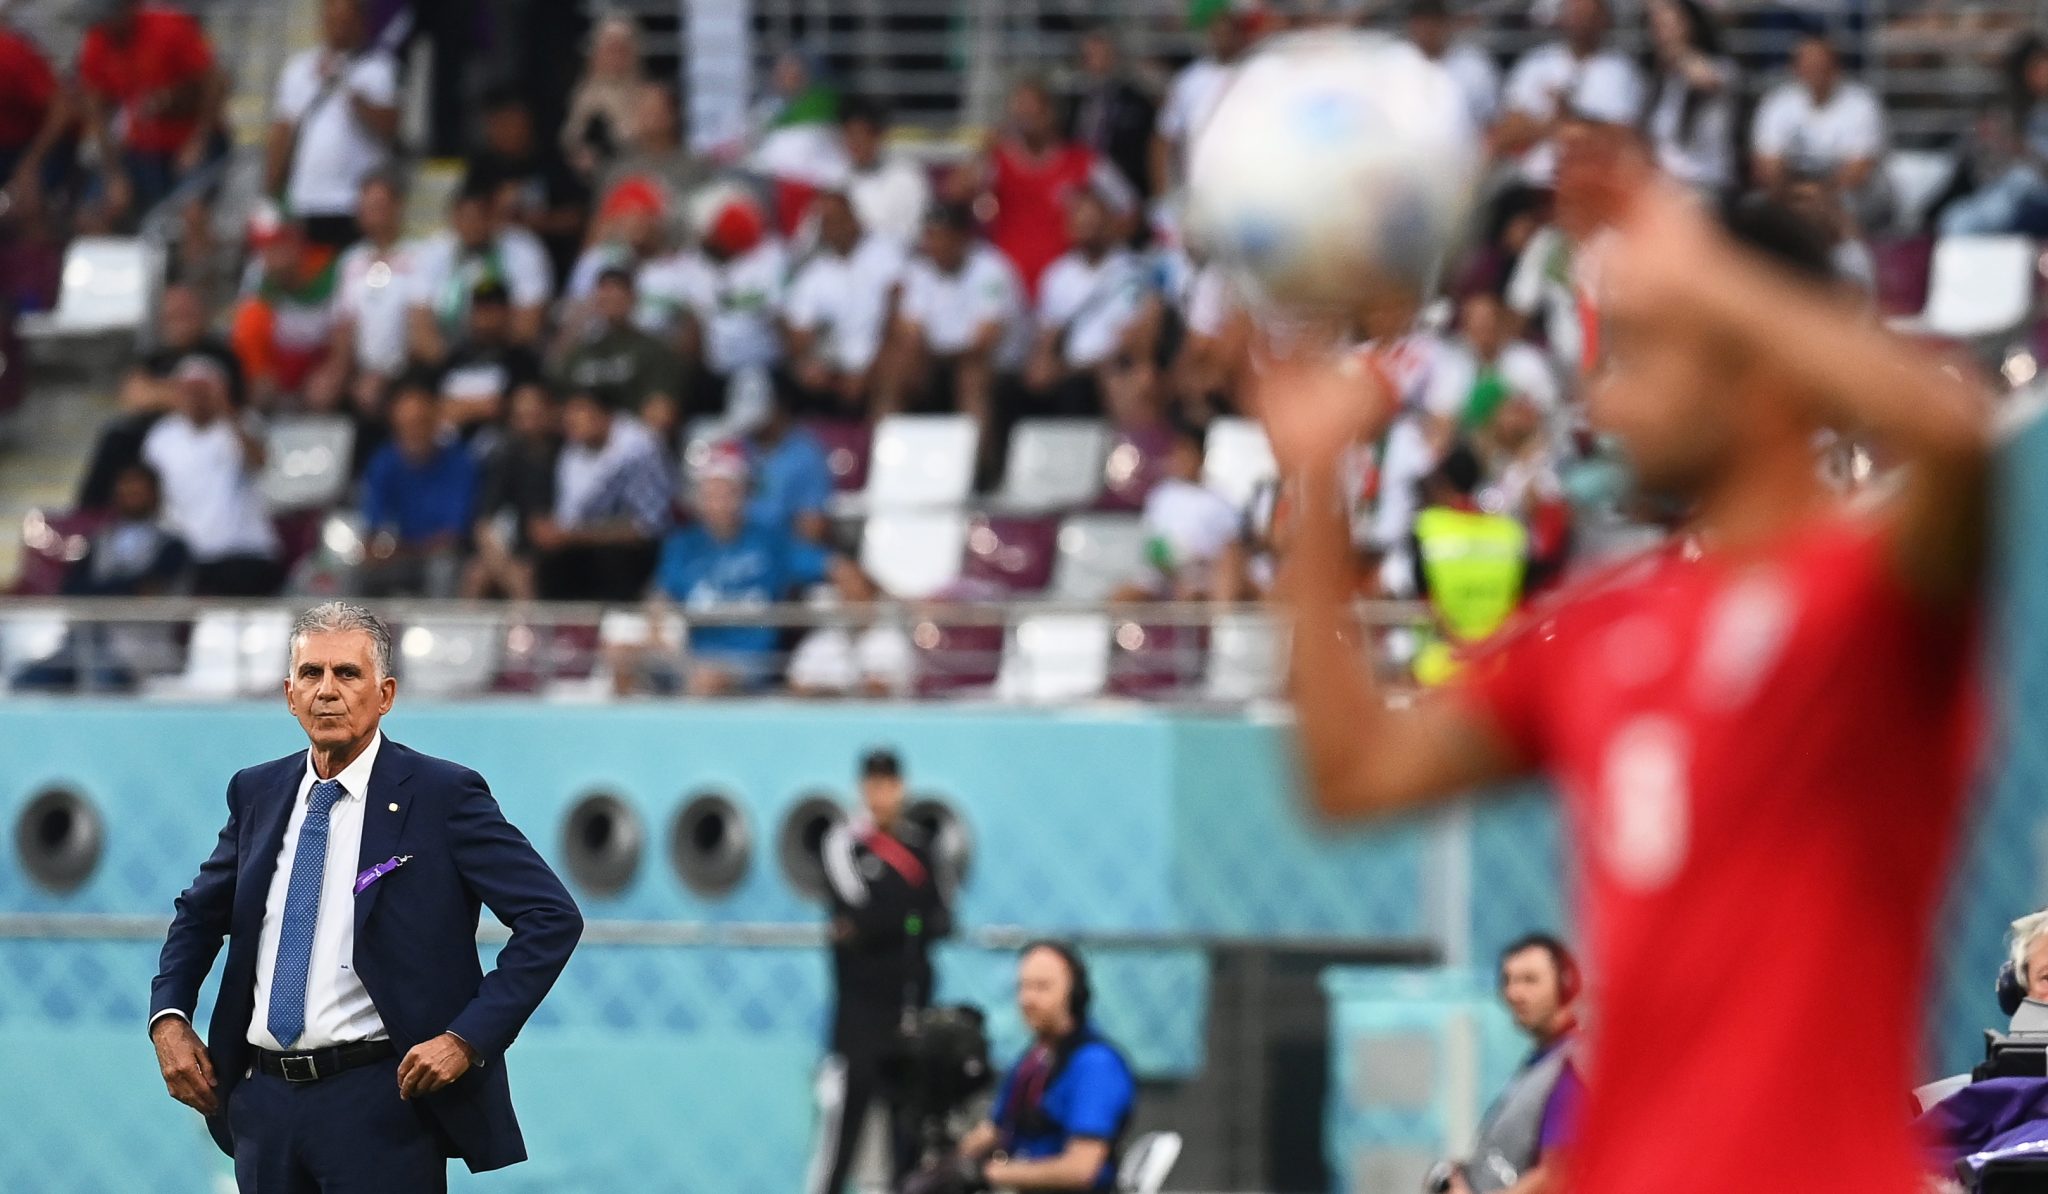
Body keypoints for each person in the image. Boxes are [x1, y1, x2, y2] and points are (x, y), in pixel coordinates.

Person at [1256, 149, 1991, 1194]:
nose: (1606, 404)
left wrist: (1698, 265)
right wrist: (1316, 485)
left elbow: (1954, 437)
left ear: (1751, 361)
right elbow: (1353, 775)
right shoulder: (1602, 625)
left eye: (1640, 355)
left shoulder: (1867, 601)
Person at [147, 602, 583, 1191]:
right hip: (262, 1106)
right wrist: (169, 1018)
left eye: (348, 674)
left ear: (386, 695)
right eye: (311, 674)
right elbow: (198, 915)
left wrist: (467, 1039)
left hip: (380, 1104)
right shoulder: (257, 791)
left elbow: (551, 917)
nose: (327, 690)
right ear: (289, 694)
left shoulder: (442, 794)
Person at [810, 747, 955, 1194]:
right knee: (842, 1136)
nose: (882, 794)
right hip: (858, 1013)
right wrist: (906, 920)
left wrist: (898, 921)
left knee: (905, 1136)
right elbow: (861, 918)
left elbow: (941, 920)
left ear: (901, 788)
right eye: (873, 784)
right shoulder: (844, 846)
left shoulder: (920, 848)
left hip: (910, 1009)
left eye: (890, 784)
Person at [625, 444, 862, 695]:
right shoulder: (683, 545)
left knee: (707, 681)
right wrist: (656, 631)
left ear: (745, 495)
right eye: (711, 493)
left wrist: (856, 621)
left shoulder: (770, 542)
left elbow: (838, 568)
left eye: (728, 492)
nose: (720, 503)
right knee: (621, 657)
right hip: (693, 659)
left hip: (751, 665)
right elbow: (660, 597)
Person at [934, 942, 1135, 1192]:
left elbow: (1081, 1169)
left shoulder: (1095, 1064)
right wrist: (945, 1166)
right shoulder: (1034, 1060)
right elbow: (997, 1128)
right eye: (1023, 987)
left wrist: (992, 1174)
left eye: (1042, 987)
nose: (1027, 999)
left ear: (1075, 994)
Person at [12, 463, 189, 693]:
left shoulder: (172, 546)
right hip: (83, 644)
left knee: (100, 682)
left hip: (138, 649)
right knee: (25, 683)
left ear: (155, 495)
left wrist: (100, 590)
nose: (131, 497)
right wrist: (123, 590)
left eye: (139, 492)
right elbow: (70, 589)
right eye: (126, 491)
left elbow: (146, 589)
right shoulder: (99, 541)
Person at [1435, 934, 1583, 1194]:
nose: (1514, 993)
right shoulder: (1543, 1061)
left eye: (1530, 980)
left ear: (1566, 985)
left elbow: (1558, 1175)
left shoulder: (1572, 1067)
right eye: (1508, 980)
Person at [76, 283, 244, 509]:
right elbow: (133, 395)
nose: (178, 323)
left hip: (201, 433)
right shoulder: (157, 356)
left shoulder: (218, 354)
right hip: (157, 431)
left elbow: (203, 399)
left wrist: (158, 392)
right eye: (171, 316)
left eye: (185, 314)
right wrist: (171, 393)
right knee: (116, 436)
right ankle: (90, 512)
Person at [879, 203, 1031, 443]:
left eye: (942, 236)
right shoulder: (920, 271)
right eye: (930, 236)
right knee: (894, 367)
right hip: (939, 359)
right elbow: (908, 329)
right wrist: (921, 354)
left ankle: (978, 460)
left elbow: (984, 340)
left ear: (961, 237)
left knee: (970, 375)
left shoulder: (992, 269)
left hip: (997, 364)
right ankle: (887, 453)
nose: (935, 244)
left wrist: (931, 351)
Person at [981, 77, 1136, 300]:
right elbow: (956, 192)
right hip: (1010, 287)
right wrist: (984, 151)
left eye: (1033, 111)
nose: (1026, 119)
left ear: (1050, 113)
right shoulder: (998, 160)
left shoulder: (1084, 161)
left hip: (1067, 286)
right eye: (1020, 111)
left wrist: (1098, 240)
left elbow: (1130, 209)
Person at [141, 354, 282, 597]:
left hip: (241, 549)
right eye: (188, 390)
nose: (195, 397)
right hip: (185, 552)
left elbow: (259, 463)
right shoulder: (162, 435)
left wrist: (227, 412)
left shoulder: (242, 425)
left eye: (202, 390)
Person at [75, 0, 226, 226]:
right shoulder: (97, 40)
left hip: (191, 139)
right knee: (93, 214)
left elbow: (215, 83)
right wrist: (114, 174)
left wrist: (198, 140)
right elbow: (96, 112)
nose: (104, 26)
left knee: (193, 214)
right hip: (140, 147)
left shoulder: (170, 27)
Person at [264, 0, 399, 249]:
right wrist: (270, 190)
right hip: (306, 198)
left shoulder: (378, 67)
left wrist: (346, 85)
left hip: (352, 201)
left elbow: (389, 127)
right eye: (332, 20)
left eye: (345, 21)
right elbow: (283, 130)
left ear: (360, 22)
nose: (338, 28)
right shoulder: (299, 68)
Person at [782, 186, 908, 419]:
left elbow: (898, 310)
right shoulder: (814, 272)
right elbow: (799, 331)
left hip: (880, 356)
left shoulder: (885, 252)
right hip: (836, 367)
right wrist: (810, 362)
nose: (834, 228)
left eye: (838, 220)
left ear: (853, 218)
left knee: (895, 363)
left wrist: (869, 368)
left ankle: (882, 438)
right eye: (827, 223)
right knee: (798, 374)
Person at [533, 389, 672, 601]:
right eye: (568, 416)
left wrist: (576, 536)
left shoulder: (640, 447)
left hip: (648, 547)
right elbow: (569, 521)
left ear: (604, 416)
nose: (571, 422)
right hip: (591, 542)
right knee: (551, 558)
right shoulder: (571, 452)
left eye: (579, 414)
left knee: (613, 557)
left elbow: (649, 527)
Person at [1024, 186, 1148, 417]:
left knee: (1119, 375)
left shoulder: (1132, 270)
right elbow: (1049, 332)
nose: (1086, 228)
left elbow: (1138, 332)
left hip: (1116, 362)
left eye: (1092, 220)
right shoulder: (1058, 275)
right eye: (1079, 221)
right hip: (1071, 368)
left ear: (1108, 221)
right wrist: (1043, 361)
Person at [669, 186, 789, 422]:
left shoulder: (768, 260)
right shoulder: (694, 265)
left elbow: (780, 318)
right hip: (716, 372)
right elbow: (692, 324)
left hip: (764, 366)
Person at [1495, 0, 1644, 186]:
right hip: (1535, 185)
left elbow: (1624, 140)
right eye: (1575, 12)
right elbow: (1504, 136)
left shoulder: (1622, 72)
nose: (1581, 21)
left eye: (1589, 14)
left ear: (1605, 19)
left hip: (1594, 187)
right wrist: (1552, 123)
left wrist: (1570, 116)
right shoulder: (1535, 64)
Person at [408, 177, 555, 364]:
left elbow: (528, 324)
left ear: (493, 217)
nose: (470, 225)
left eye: (477, 217)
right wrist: (450, 364)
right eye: (463, 217)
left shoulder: (524, 249)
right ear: (453, 218)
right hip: (448, 357)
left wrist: (492, 361)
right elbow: (419, 322)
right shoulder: (433, 251)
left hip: (508, 356)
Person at [1751, 35, 1889, 228]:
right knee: (1755, 207)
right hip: (1793, 191)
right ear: (1795, 68)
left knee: (1841, 205)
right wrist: (1795, 195)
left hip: (1850, 195)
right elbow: (1767, 165)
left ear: (1836, 68)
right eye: (1807, 64)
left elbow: (1859, 170)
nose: (1813, 71)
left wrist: (1819, 196)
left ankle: (1848, 247)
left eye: (1819, 65)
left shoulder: (1862, 104)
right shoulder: (1777, 102)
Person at [358, 381, 476, 598]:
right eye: (405, 425)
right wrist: (373, 549)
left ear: (434, 423)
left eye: (420, 423)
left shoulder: (459, 463)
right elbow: (372, 525)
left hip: (435, 556)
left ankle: (439, 620)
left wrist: (404, 550)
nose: (413, 432)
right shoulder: (384, 462)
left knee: (443, 566)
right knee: (348, 572)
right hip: (393, 559)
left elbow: (453, 535)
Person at [319, 172, 423, 418]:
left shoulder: (420, 255)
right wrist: (340, 373)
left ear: (398, 206)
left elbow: (422, 327)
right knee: (321, 392)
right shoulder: (350, 260)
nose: (372, 213)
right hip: (361, 370)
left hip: (407, 369)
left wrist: (387, 374)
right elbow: (344, 322)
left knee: (377, 395)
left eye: (379, 206)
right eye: (366, 207)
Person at [466, 87, 590, 279]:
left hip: (551, 264)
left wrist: (535, 222)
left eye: (512, 123)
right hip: (492, 263)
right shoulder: (483, 166)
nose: (506, 131)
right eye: (499, 124)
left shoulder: (552, 162)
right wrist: (498, 213)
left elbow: (576, 217)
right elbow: (465, 212)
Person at [1113, 417, 1239, 603]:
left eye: (1187, 454)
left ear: (1201, 456)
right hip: (1162, 575)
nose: (1180, 460)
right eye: (1177, 453)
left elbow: (1230, 553)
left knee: (1190, 594)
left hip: (1201, 577)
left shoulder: (1219, 500)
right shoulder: (1161, 494)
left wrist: (1191, 561)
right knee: (1121, 597)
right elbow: (1152, 544)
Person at [230, 211, 340, 411]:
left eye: (279, 245)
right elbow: (248, 332)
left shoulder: (330, 269)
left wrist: (334, 369)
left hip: (325, 359)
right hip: (283, 365)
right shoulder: (258, 275)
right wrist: (259, 373)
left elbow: (346, 327)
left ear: (298, 243)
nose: (271, 256)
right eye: (265, 248)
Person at [1940, 35, 2048, 236]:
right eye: (2038, 68)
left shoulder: (2041, 112)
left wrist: (2024, 149)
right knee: (1955, 219)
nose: (2044, 74)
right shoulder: (2004, 110)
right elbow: (1979, 167)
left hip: (2034, 189)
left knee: (2022, 178)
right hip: (2002, 189)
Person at [464, 386, 559, 601]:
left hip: (560, 542)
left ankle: (530, 619)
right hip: (518, 547)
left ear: (551, 412)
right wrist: (506, 566)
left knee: (527, 572)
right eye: (521, 416)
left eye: (535, 414)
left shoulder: (565, 454)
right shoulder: (506, 458)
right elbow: (484, 523)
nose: (529, 423)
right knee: (478, 574)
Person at [1151, 5, 1255, 197]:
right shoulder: (1189, 81)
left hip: (1246, 187)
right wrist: (1163, 195)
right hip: (1199, 188)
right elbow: (1164, 140)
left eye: (1228, 31)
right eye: (1217, 31)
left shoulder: (1257, 74)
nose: (1223, 37)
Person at [557, 265, 686, 415]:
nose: (610, 302)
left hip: (635, 427)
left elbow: (662, 411)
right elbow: (557, 395)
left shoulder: (653, 350)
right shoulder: (581, 353)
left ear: (632, 298)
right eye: (604, 297)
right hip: (584, 427)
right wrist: (576, 324)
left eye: (616, 296)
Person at [1644, 0, 1736, 197]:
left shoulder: (1720, 68)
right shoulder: (1662, 79)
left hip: (1703, 183)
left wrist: (1677, 50)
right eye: (1657, 26)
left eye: (1669, 25)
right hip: (1664, 186)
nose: (1661, 32)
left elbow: (1707, 80)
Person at [436, 279, 546, 439]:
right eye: (481, 309)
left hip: (499, 442)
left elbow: (508, 407)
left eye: (493, 309)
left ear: (507, 312)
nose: (485, 317)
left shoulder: (521, 360)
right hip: (448, 443)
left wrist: (461, 408)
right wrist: (478, 407)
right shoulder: (454, 358)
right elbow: (435, 405)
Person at [1068, 27, 1158, 209]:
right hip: (1082, 187)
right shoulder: (1074, 102)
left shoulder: (1136, 102)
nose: (1095, 62)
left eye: (1101, 55)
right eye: (1089, 56)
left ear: (1113, 57)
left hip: (1124, 188)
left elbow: (1149, 150)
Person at [560, 13, 647, 182]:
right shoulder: (582, 97)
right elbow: (571, 142)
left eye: (622, 50)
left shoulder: (647, 95)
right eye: (609, 49)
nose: (615, 58)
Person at [838, 96, 930, 248]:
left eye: (861, 135)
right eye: (850, 135)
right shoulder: (837, 182)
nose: (855, 144)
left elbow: (916, 231)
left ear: (877, 136)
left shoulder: (906, 176)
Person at [1405, 0, 1501, 133]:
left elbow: (1491, 120)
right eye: (1422, 23)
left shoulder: (1474, 66)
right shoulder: (1395, 66)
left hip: (1464, 144)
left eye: (1434, 23)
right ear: (1412, 26)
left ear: (1447, 25)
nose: (1428, 30)